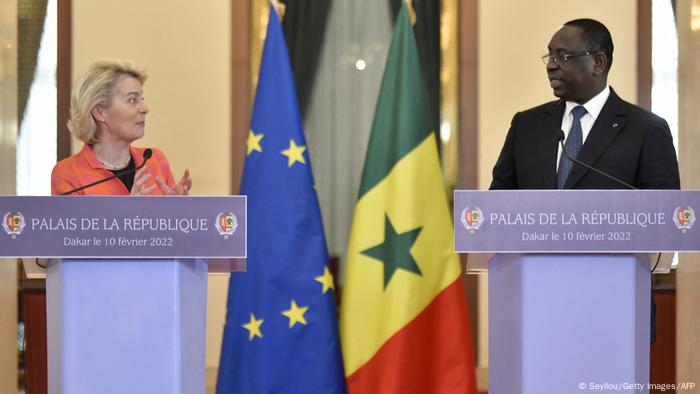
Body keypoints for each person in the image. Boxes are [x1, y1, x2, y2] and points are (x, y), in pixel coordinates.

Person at [490, 18, 680, 190]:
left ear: (598, 63)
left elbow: (662, 215)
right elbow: (497, 203)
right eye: (550, 55)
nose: (550, 65)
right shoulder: (526, 125)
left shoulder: (647, 130)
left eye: (562, 56)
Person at [51, 60, 192, 196]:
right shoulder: (68, 173)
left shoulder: (155, 160)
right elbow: (75, 222)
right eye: (132, 100)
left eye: (141, 99)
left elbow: (168, 220)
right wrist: (127, 211)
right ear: (100, 112)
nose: (145, 108)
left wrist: (177, 209)